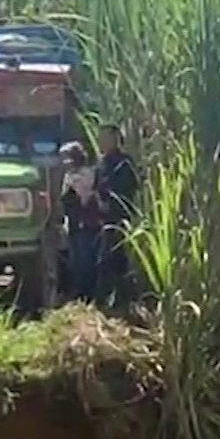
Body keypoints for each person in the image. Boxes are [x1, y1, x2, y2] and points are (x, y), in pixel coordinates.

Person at [93, 124, 140, 306]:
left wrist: (111, 202)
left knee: (107, 259)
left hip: (119, 217)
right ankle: (122, 300)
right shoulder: (101, 162)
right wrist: (99, 200)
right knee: (116, 260)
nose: (100, 142)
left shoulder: (124, 161)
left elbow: (130, 187)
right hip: (103, 218)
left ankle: (103, 301)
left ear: (114, 139)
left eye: (104, 138)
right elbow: (97, 185)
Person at [57, 141, 102, 303]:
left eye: (67, 158)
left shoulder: (85, 174)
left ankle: (89, 293)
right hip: (74, 223)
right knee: (75, 259)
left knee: (86, 258)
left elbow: (85, 197)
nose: (64, 162)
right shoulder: (69, 176)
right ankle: (78, 292)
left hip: (86, 222)